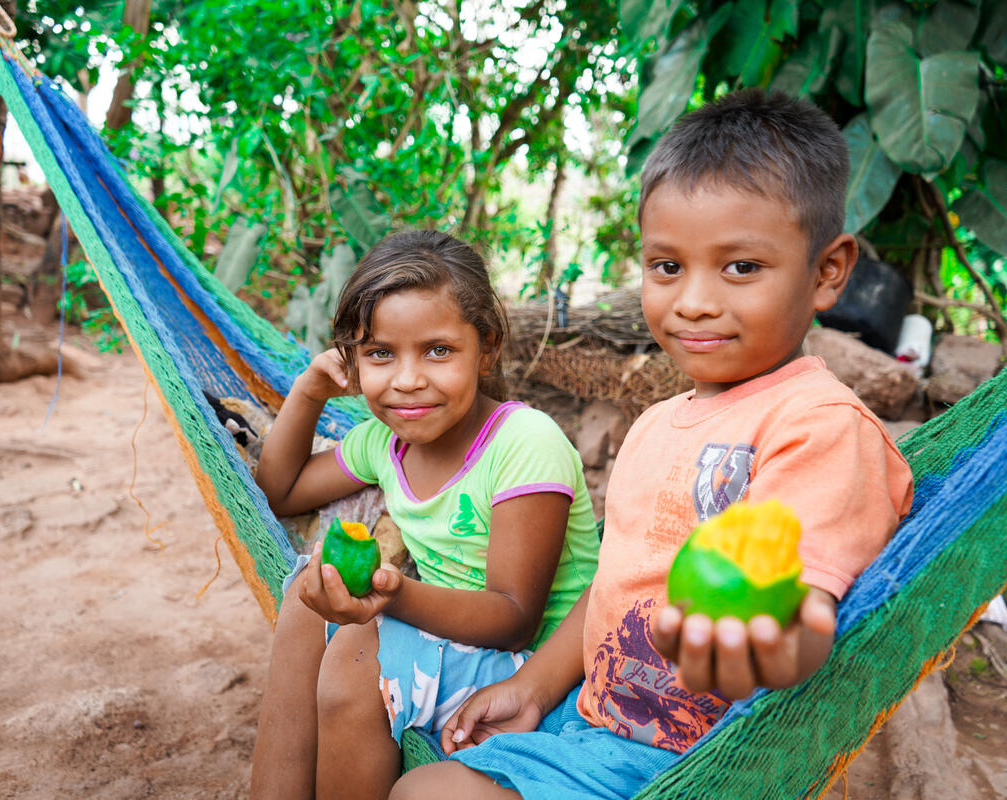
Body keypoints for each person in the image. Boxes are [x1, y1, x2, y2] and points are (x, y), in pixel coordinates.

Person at [390, 90, 915, 800]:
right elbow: (615, 588)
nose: (693, 300)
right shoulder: (654, 425)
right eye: (667, 267)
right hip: (588, 727)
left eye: (740, 268)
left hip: (693, 767)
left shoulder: (817, 425)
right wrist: (532, 688)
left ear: (828, 272)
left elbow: (807, 610)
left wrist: (767, 644)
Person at [249, 230, 600, 800]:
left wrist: (390, 599)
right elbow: (280, 491)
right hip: (454, 642)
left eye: (437, 350)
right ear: (353, 361)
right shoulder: (382, 443)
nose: (408, 379)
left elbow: (515, 617)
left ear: (485, 348)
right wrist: (310, 389)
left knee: (357, 657)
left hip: (538, 669)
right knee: (304, 595)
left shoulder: (523, 443)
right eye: (380, 354)